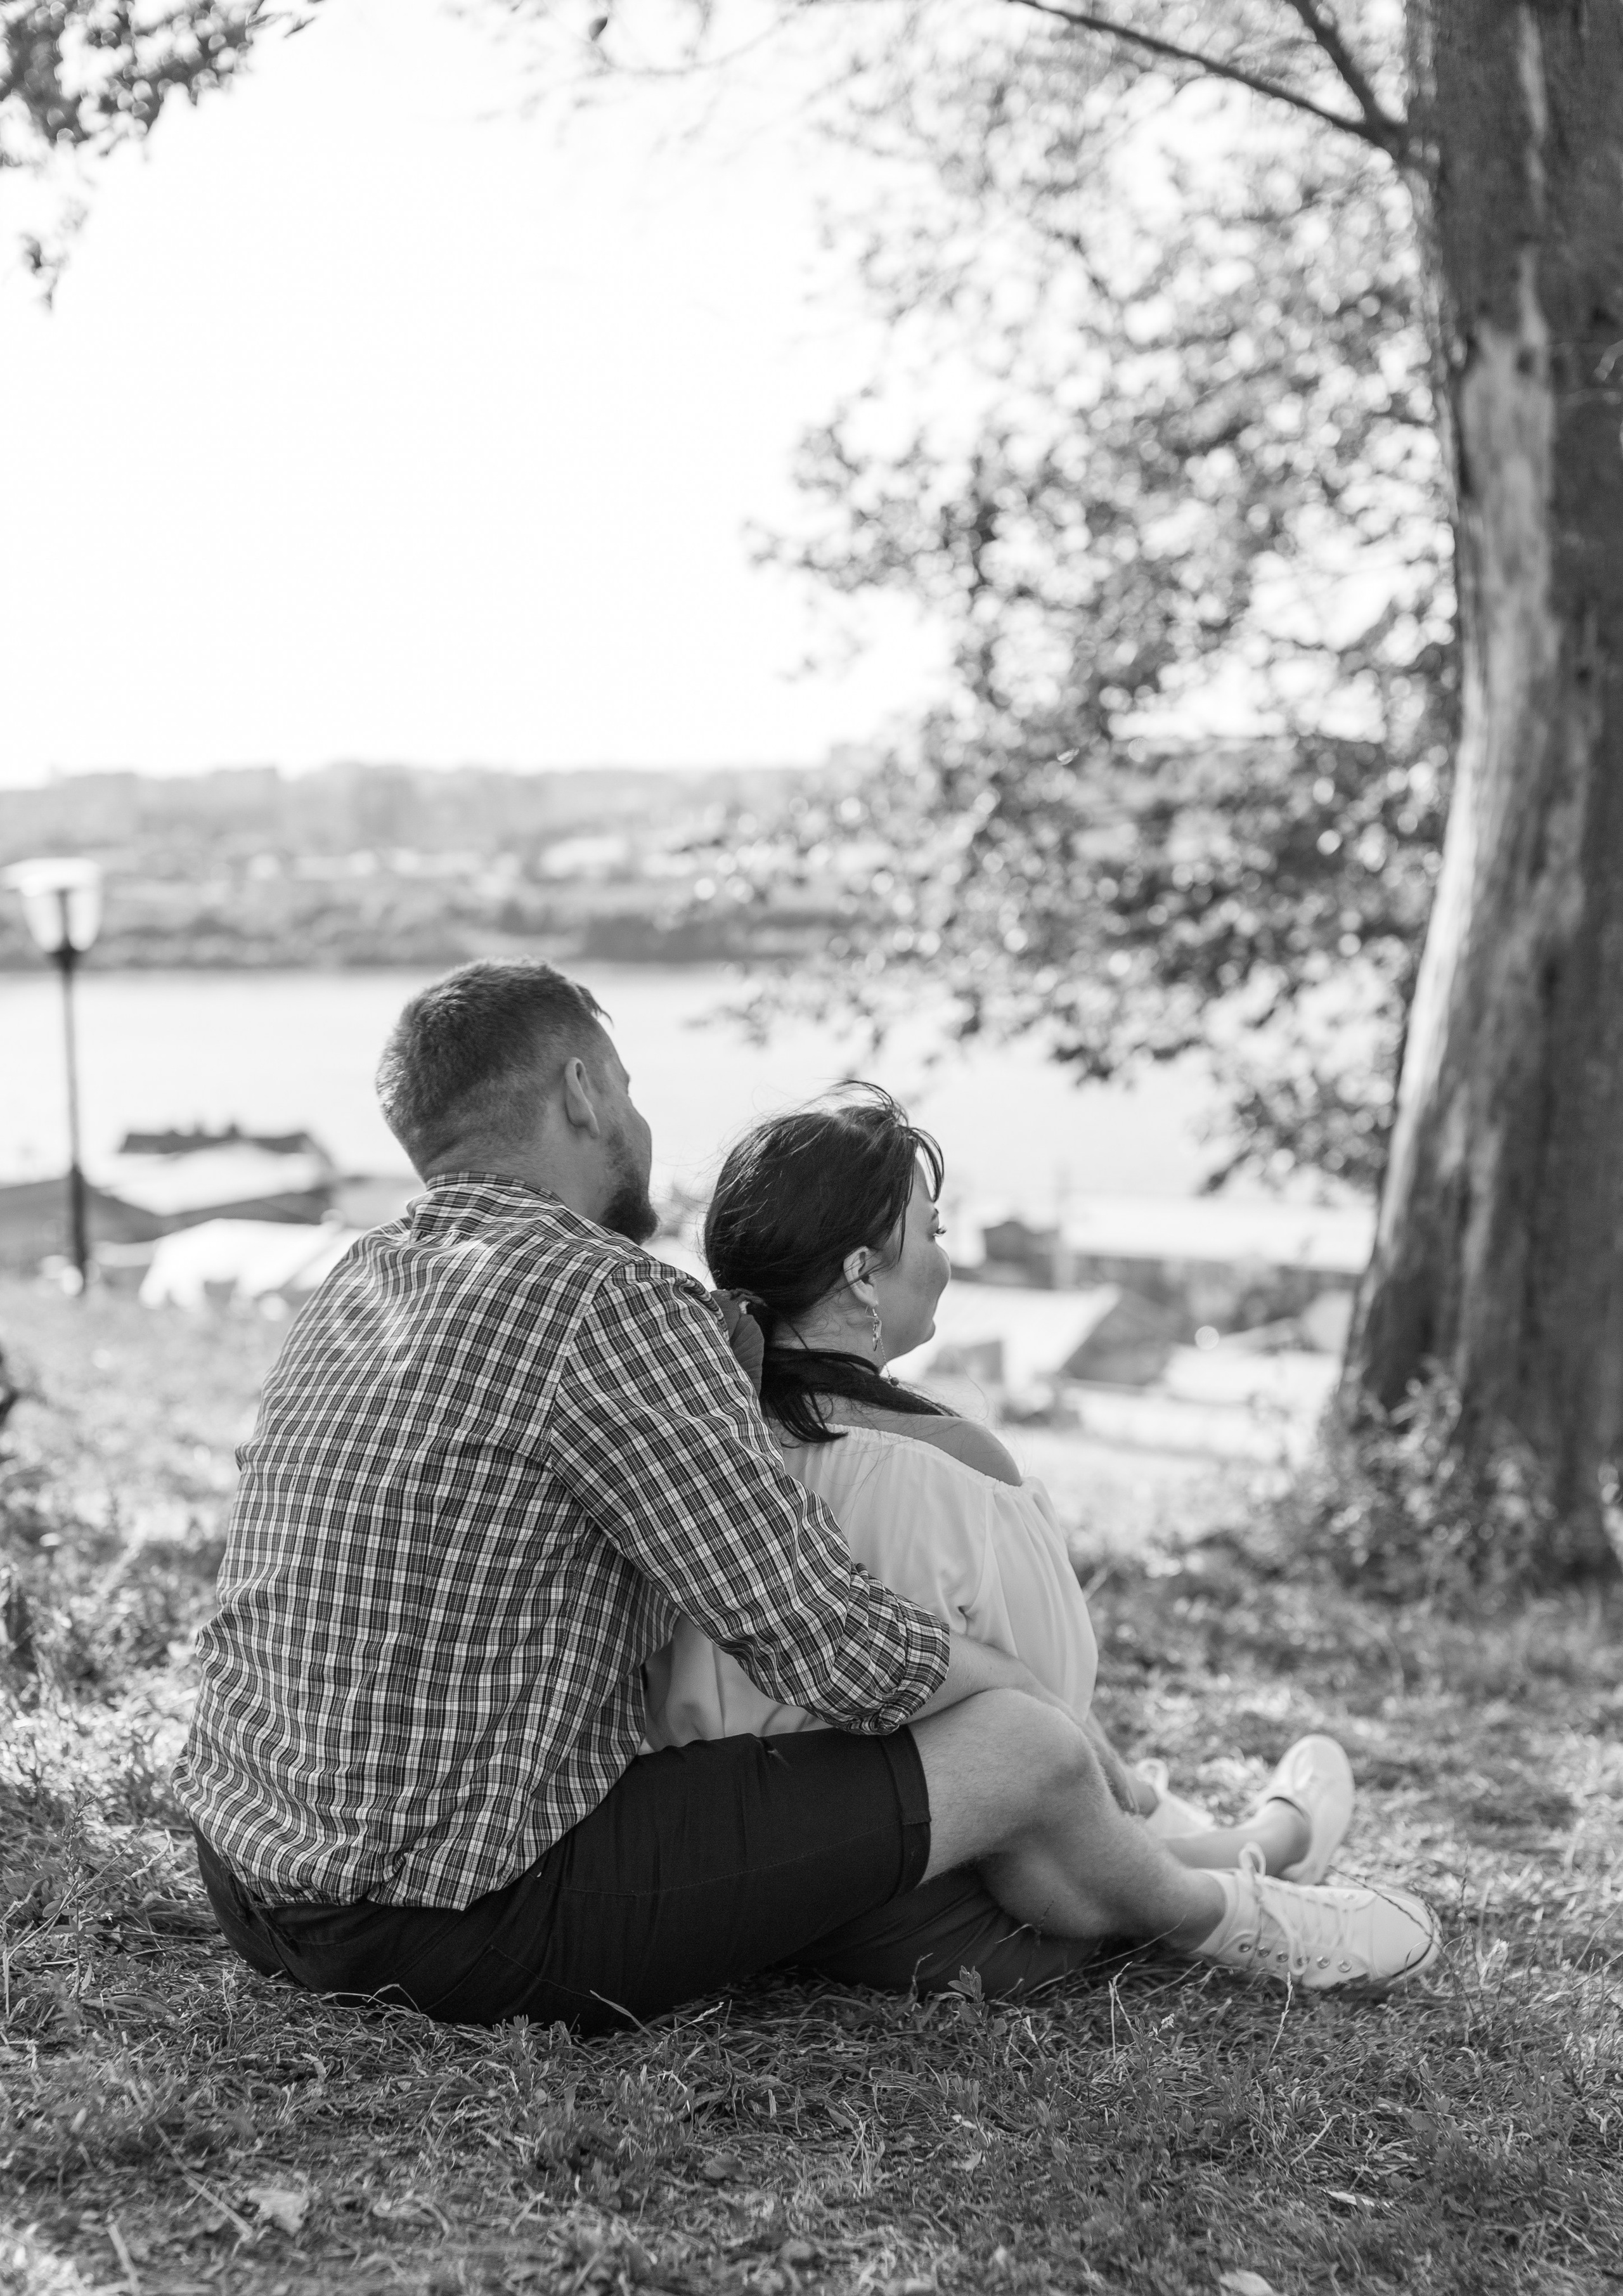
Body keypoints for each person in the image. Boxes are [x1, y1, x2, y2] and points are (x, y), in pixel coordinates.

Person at [176, 959, 1439, 2034]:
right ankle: (1241, 1916)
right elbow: (823, 1639)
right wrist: (1019, 1695)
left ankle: (1219, 1848)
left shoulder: (359, 1281)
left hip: (250, 1876)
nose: (639, 1119)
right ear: (582, 1089)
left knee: (1009, 1758)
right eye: (629, 1087)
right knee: (1021, 1743)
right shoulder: (601, 1297)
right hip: (453, 1916)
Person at [643, 1087, 1368, 1989]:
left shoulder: (683, 1445)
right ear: (862, 1272)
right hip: (926, 1882)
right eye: (934, 1230)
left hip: (716, 1856)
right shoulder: (950, 1464)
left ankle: (1255, 1837)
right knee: (1057, 1790)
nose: (945, 1259)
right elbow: (1052, 1702)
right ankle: (1266, 1848)